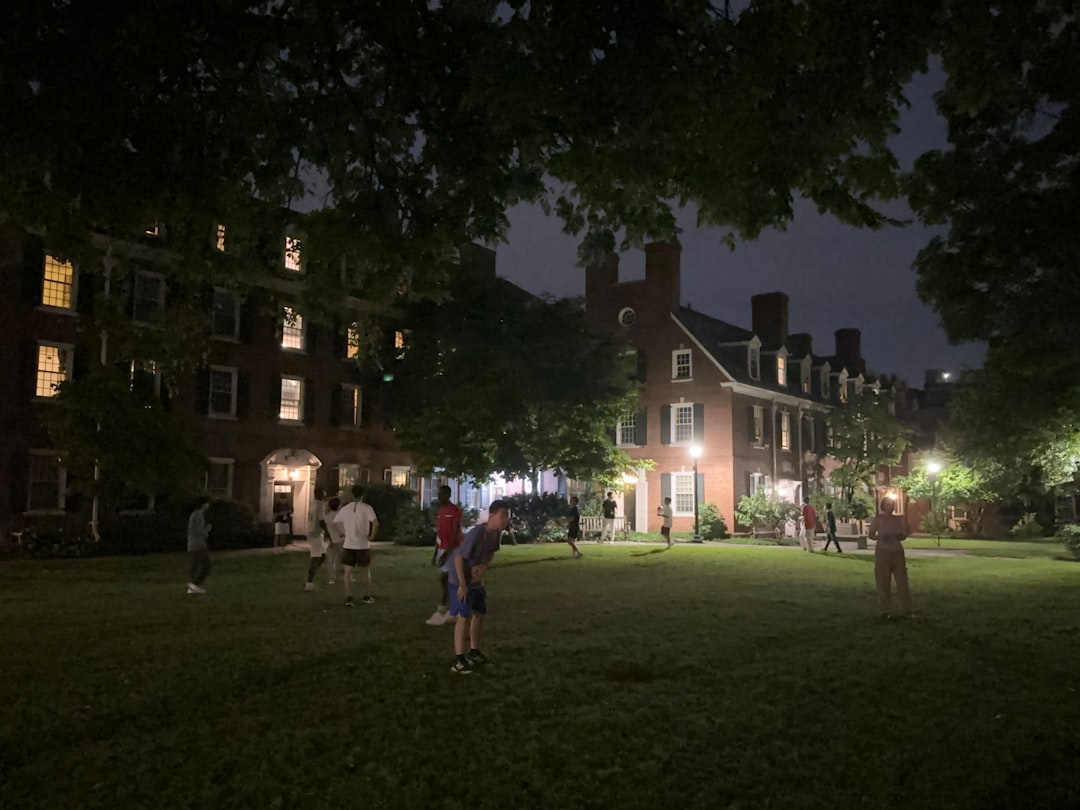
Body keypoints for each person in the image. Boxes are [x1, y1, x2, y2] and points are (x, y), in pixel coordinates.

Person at [448, 499, 511, 674]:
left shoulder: (496, 533)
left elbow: (491, 553)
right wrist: (462, 584)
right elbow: (459, 558)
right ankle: (459, 660)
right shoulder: (477, 533)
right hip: (459, 579)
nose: (505, 519)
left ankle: (474, 652)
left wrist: (485, 567)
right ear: (492, 516)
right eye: (503, 515)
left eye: (507, 516)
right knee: (464, 617)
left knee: (479, 614)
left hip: (476, 582)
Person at [332, 484, 379, 607]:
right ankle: (366, 596)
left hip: (349, 544)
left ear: (352, 494)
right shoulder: (367, 508)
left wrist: (342, 534)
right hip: (362, 544)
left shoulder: (345, 508)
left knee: (348, 571)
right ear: (363, 495)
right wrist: (371, 536)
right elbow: (375, 523)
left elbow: (334, 523)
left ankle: (349, 597)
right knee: (365, 571)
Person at [868, 498, 913, 617]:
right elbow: (871, 535)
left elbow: (903, 536)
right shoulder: (878, 519)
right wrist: (881, 537)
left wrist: (905, 532)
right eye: (888, 504)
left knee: (902, 580)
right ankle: (885, 610)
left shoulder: (898, 519)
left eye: (892, 504)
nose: (891, 506)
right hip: (883, 551)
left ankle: (906, 609)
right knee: (883, 581)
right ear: (883, 506)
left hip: (897, 551)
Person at [426, 485, 463, 625]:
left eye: (442, 494)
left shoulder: (454, 511)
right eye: (438, 494)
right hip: (443, 549)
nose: (439, 496)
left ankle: (444, 609)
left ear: (448, 495)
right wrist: (436, 553)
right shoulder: (441, 512)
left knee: (448, 579)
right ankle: (451, 609)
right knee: (445, 580)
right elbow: (440, 534)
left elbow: (455, 534)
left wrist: (446, 554)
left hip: (453, 550)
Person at [303, 488, 330, 591]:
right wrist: (328, 532)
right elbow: (321, 520)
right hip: (316, 533)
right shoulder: (320, 505)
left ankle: (310, 578)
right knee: (316, 557)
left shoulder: (312, 503)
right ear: (322, 494)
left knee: (323, 556)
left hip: (311, 531)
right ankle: (309, 583)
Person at [186, 496, 212, 594]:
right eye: (207, 503)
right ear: (203, 504)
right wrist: (207, 530)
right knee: (206, 565)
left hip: (192, 544)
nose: (208, 505)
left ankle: (192, 588)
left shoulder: (194, 514)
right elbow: (197, 531)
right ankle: (194, 585)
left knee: (195, 565)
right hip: (198, 544)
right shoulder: (199, 515)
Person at [324, 496, 344, 585]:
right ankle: (349, 576)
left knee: (331, 561)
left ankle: (331, 578)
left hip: (332, 540)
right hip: (342, 540)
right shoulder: (341, 515)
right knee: (344, 559)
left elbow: (329, 527)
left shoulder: (327, 517)